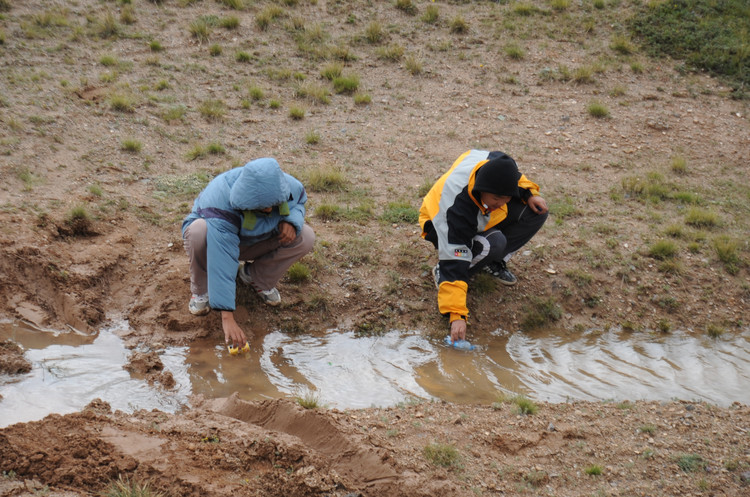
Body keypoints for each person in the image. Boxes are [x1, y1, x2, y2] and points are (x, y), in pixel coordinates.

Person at [182, 157, 315, 348]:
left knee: (305, 236)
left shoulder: (285, 185)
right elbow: (222, 257)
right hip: (214, 241)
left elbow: (299, 202)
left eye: (274, 204)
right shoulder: (220, 203)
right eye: (264, 206)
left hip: (253, 239)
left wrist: (292, 221)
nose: (270, 209)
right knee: (198, 231)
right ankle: (201, 291)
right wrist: (227, 318)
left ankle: (254, 277)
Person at [419, 149, 548, 343]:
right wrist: (457, 316)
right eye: (497, 198)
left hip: (478, 211)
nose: (502, 203)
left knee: (536, 211)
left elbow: (513, 177)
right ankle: (441, 271)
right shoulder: (455, 208)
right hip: (437, 224)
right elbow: (456, 255)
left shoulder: (494, 165)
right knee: (494, 243)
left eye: (506, 198)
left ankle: (492, 263)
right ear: (481, 188)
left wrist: (529, 194)